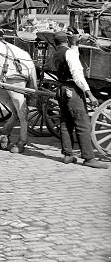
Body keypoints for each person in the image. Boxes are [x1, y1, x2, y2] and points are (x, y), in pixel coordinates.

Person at [50, 30, 107, 168]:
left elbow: (71, 58)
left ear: (55, 42)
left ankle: (68, 155)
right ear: (67, 40)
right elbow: (77, 75)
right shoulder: (69, 53)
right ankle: (88, 158)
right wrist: (89, 93)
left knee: (65, 122)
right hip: (73, 90)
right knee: (82, 124)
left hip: (61, 89)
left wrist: (74, 44)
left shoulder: (56, 54)